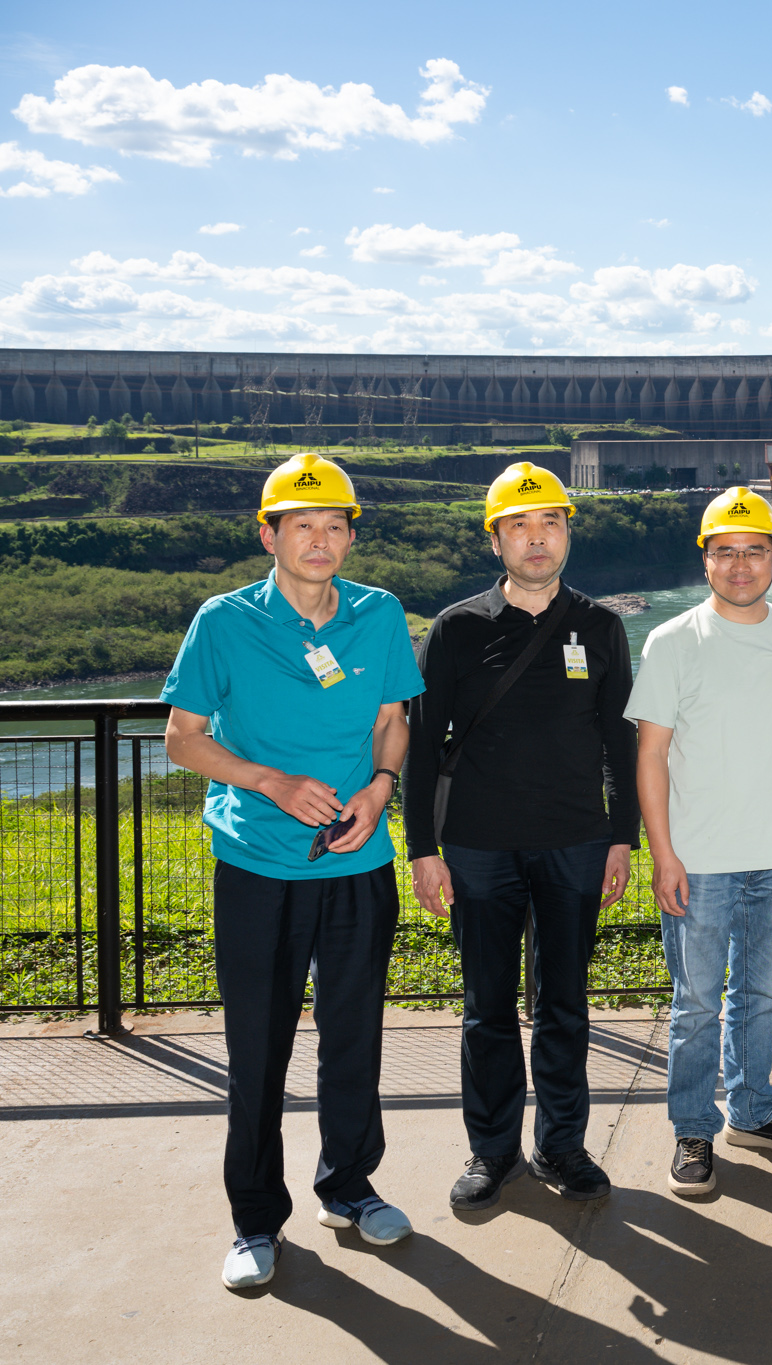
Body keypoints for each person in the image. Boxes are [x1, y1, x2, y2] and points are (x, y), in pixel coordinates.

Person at [161, 453, 423, 1289]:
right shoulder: (224, 620)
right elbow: (183, 735)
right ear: (268, 533)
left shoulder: (379, 615)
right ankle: (253, 1220)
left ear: (350, 535)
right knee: (258, 1048)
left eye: (335, 524)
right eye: (301, 524)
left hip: (356, 863)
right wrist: (270, 779)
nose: (320, 540)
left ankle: (349, 1187)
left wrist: (381, 791)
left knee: (354, 1038)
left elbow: (391, 719)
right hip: (257, 867)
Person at [404, 461, 638, 1211]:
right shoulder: (458, 628)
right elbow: (419, 744)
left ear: (568, 531)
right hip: (477, 846)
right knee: (487, 1006)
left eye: (550, 525)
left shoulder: (601, 626)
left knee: (566, 1003)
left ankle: (563, 1146)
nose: (537, 541)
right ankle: (493, 1149)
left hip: (575, 842)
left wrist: (621, 837)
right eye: (520, 527)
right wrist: (421, 849)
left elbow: (619, 743)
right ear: (496, 538)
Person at [627, 487, 772, 1197]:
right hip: (699, 860)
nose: (740, 564)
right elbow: (650, 755)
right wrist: (663, 852)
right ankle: (693, 1127)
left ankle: (752, 1109)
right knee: (695, 1004)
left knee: (762, 993)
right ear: (706, 559)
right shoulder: (672, 640)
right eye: (726, 551)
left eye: (754, 550)